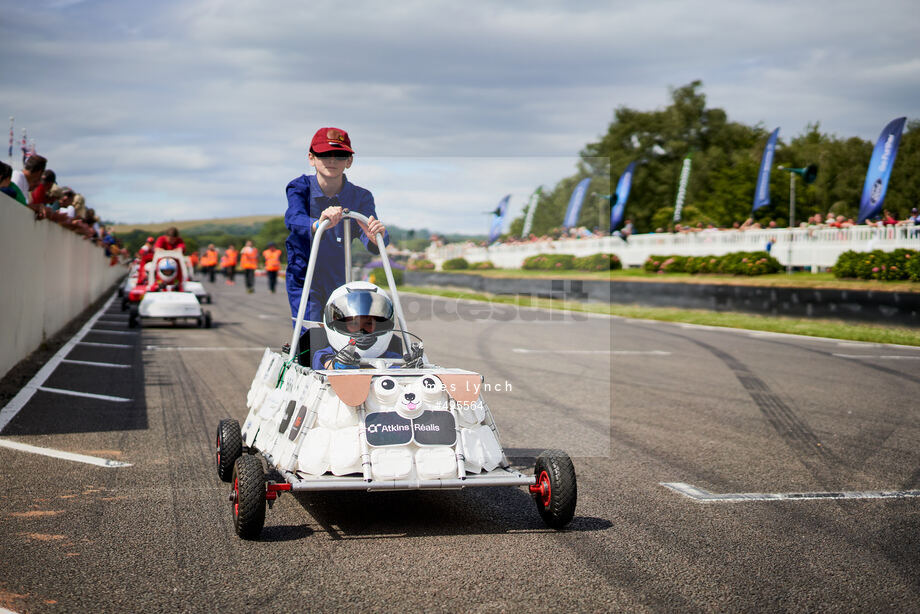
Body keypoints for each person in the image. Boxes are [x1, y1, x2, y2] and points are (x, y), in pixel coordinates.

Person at [284, 126, 389, 327]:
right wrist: (317, 223)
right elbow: (293, 218)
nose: (332, 160)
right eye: (324, 154)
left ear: (349, 161)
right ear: (311, 158)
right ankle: (311, 356)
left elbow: (369, 234)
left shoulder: (361, 196)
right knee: (311, 332)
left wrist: (376, 237)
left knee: (346, 331)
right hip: (305, 271)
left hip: (339, 273)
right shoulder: (299, 187)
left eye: (340, 155)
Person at [311, 282, 401, 370]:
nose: (362, 330)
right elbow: (325, 364)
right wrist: (337, 364)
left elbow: (399, 367)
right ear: (342, 325)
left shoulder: (391, 357)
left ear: (378, 325)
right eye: (354, 324)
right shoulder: (324, 355)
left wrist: (411, 365)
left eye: (368, 323)